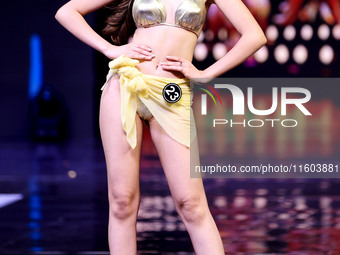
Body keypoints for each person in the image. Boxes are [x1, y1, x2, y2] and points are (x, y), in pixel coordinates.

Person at [55, 0, 267, 254]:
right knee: (123, 201)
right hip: (126, 84)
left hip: (171, 94)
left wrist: (206, 74)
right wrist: (108, 48)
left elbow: (255, 35)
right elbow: (66, 12)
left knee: (191, 203)